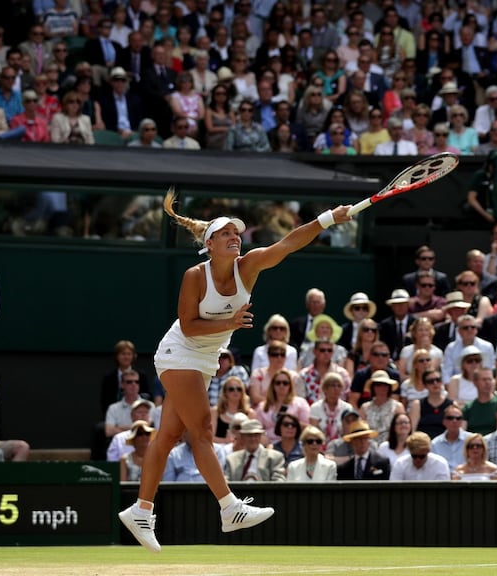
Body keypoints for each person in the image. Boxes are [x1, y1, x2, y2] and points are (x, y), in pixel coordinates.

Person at [118, 191, 351, 552]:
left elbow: (289, 243)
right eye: (226, 233)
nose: (234, 237)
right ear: (209, 244)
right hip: (179, 351)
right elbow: (189, 325)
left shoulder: (250, 266)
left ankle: (140, 510)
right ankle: (229, 507)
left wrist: (328, 219)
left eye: (237, 233)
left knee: (167, 437)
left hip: (206, 358)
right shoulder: (195, 275)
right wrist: (228, 321)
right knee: (202, 431)